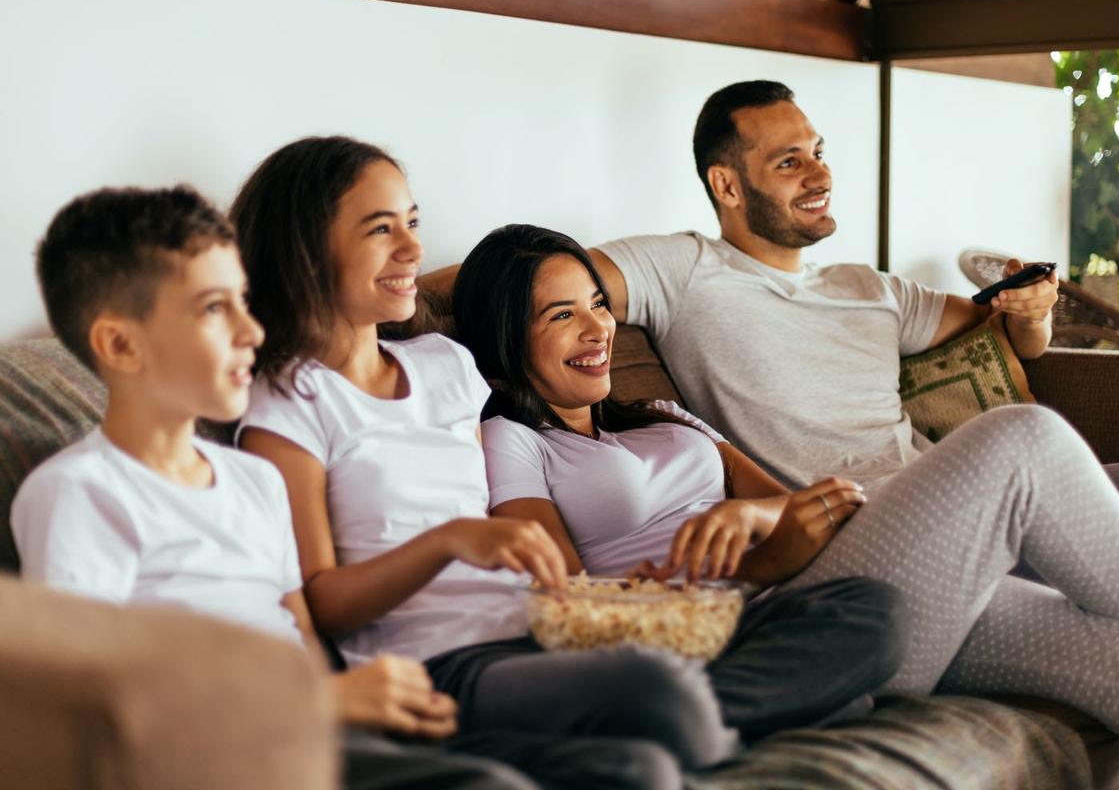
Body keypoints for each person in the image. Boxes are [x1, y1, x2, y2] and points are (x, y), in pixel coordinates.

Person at [229, 135, 905, 776]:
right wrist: (451, 542)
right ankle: (701, 719)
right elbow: (322, 605)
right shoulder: (285, 403)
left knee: (870, 612)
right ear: (307, 251)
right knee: (651, 690)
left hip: (544, 631)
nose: (413, 247)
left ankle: (687, 723)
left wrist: (631, 592)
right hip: (439, 662)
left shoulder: (445, 365)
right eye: (382, 229)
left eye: (413, 221)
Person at [452, 222, 1119, 757]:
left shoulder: (658, 414)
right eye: (561, 315)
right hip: (777, 627)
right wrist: (736, 564)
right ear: (508, 336)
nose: (597, 328)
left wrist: (754, 519)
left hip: (825, 576)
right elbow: (566, 602)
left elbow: (780, 501)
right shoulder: (513, 440)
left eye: (596, 304)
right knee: (1020, 440)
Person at [423, 79, 1119, 573]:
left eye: (819, 153)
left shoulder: (872, 289)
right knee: (1023, 438)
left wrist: (1032, 313)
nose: (821, 174)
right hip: (865, 527)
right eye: (790, 161)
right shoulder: (682, 269)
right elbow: (533, 274)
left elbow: (1007, 333)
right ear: (727, 185)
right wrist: (404, 301)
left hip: (967, 490)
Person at [11, 185, 540, 790]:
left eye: (243, 300)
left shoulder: (252, 478)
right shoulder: (79, 492)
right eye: (214, 308)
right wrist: (326, 703)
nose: (251, 331)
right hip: (223, 761)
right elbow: (87, 708)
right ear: (121, 344)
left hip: (319, 736)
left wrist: (359, 709)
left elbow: (305, 644)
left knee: (622, 765)